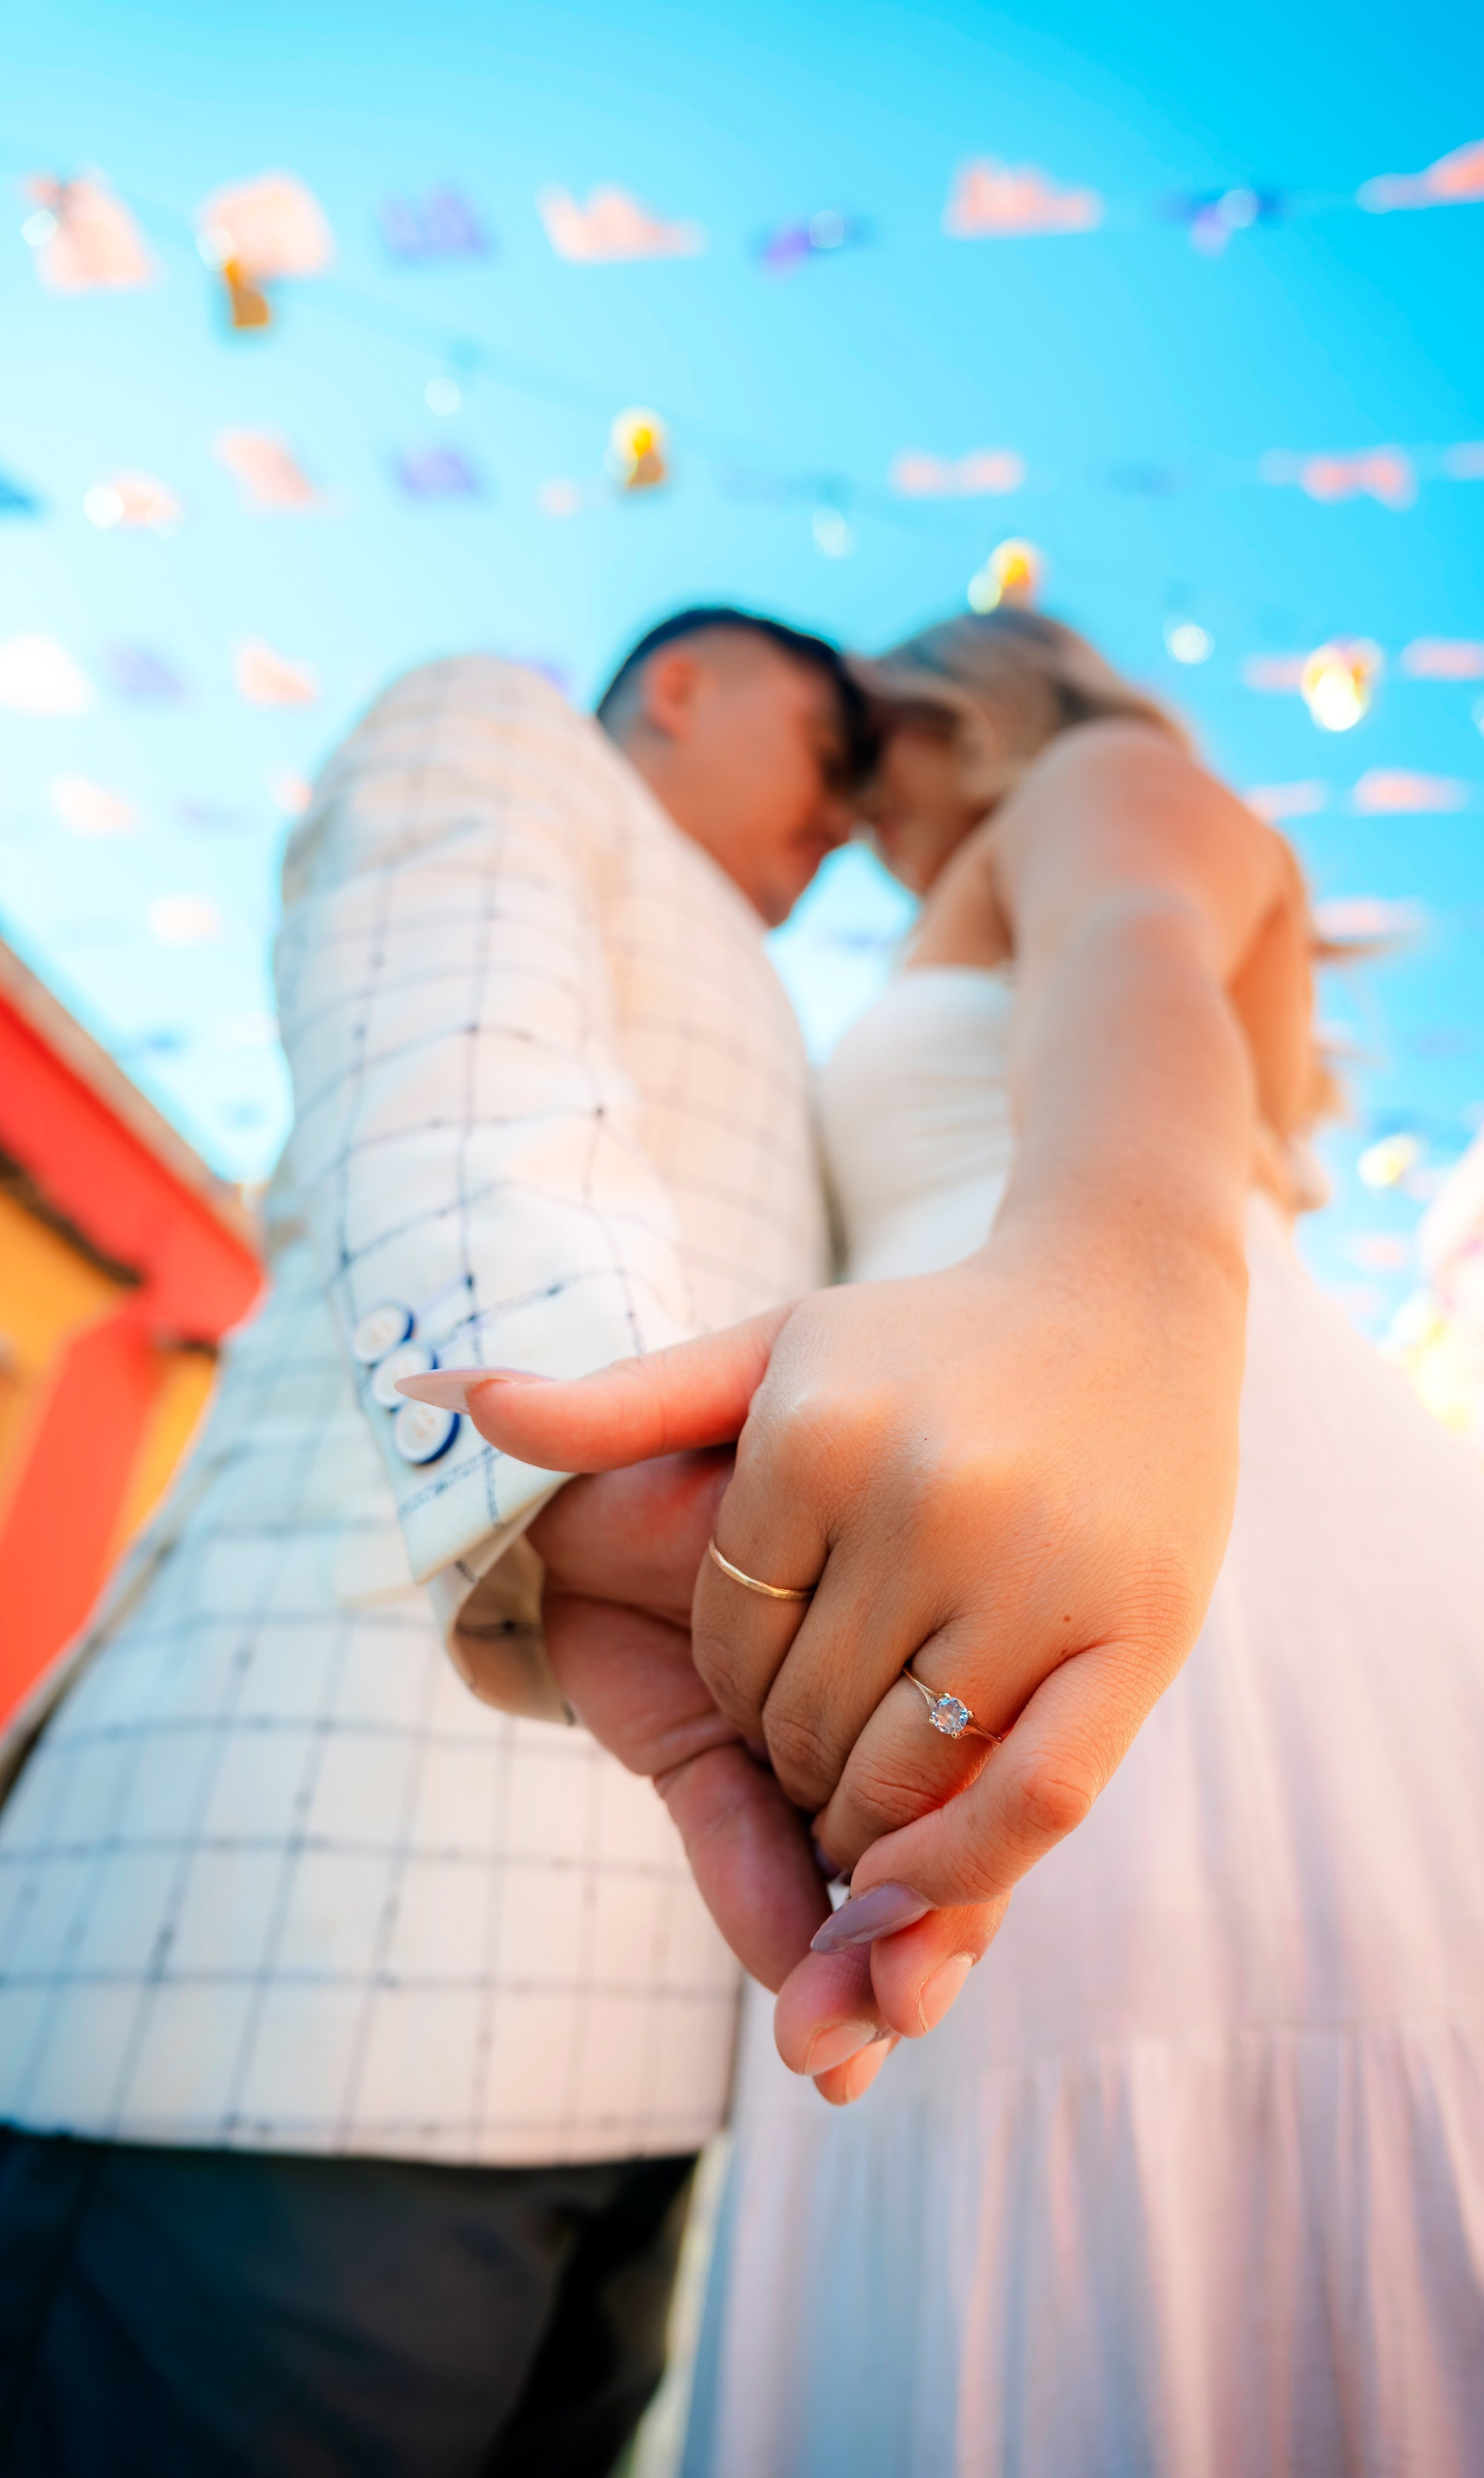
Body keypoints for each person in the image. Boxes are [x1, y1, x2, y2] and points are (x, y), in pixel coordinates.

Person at [429, 609, 1484, 2475]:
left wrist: (1109, 1294)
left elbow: (1132, 959)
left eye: (864, 760)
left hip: (1209, 1497)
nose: (850, 820)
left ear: (952, 712)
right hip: (1012, 1500)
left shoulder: (1099, 781)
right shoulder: (956, 898)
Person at [0, 608, 873, 2476]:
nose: (849, 809)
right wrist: (590, 1467)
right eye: (830, 744)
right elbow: (454, 1048)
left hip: (651, 2049)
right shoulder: (504, 726)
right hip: (281, 1985)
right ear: (684, 686)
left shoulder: (791, 1015)